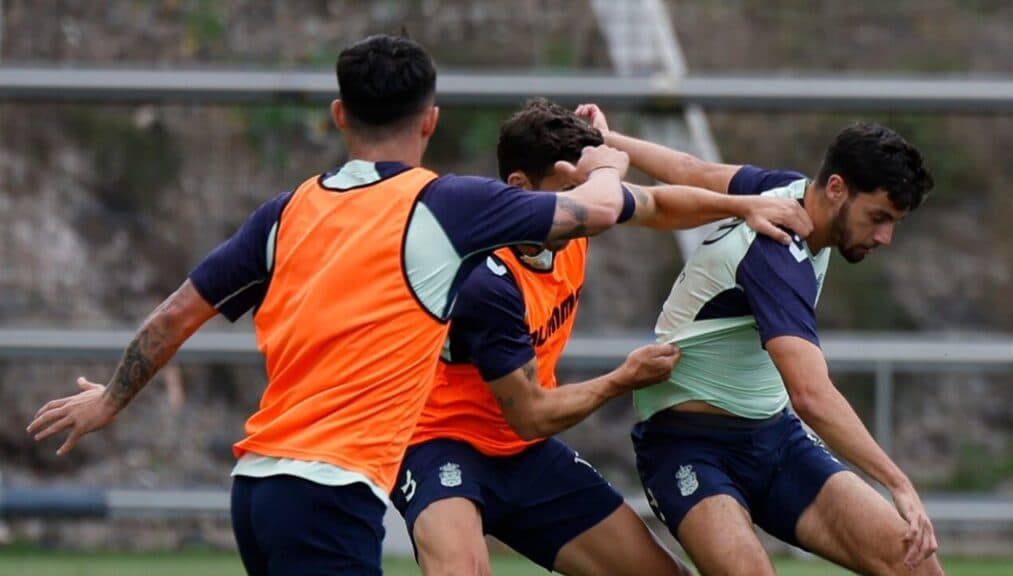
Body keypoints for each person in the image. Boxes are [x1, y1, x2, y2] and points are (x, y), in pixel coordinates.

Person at [24, 35, 644, 576]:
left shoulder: (286, 211)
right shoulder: (447, 206)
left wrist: (110, 398)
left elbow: (173, 316)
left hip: (258, 489)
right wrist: (609, 165)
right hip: (329, 490)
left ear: (339, 114)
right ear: (429, 121)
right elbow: (595, 212)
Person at [392, 99, 813, 576]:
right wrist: (622, 379)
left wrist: (744, 206)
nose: (592, 207)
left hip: (520, 450)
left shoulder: (577, 215)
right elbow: (532, 414)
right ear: (519, 187)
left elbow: (657, 204)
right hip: (438, 441)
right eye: (572, 189)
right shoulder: (487, 280)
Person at [578, 104, 944, 576]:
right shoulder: (776, 257)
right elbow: (811, 395)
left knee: (914, 562)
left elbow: (694, 171)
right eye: (878, 217)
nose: (885, 236)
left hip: (774, 439)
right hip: (688, 447)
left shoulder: (788, 191)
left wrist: (612, 141)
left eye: (893, 221)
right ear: (836, 189)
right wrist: (898, 483)